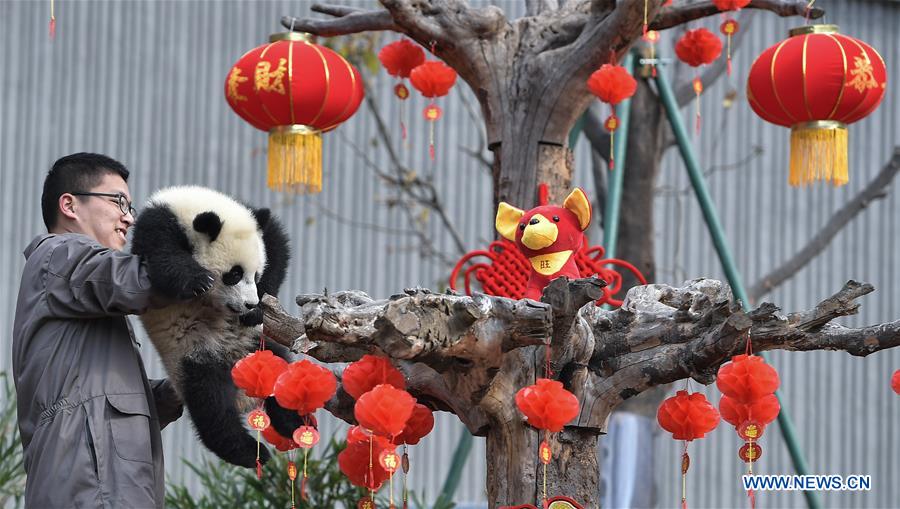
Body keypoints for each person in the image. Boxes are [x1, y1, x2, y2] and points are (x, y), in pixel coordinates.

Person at [12, 153, 212, 508]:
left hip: (99, 486)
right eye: (118, 201)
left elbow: (108, 399)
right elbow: (134, 280)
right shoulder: (59, 254)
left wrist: (182, 387)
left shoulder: (78, 290)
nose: (130, 218)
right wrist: (217, 269)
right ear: (70, 205)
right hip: (89, 488)